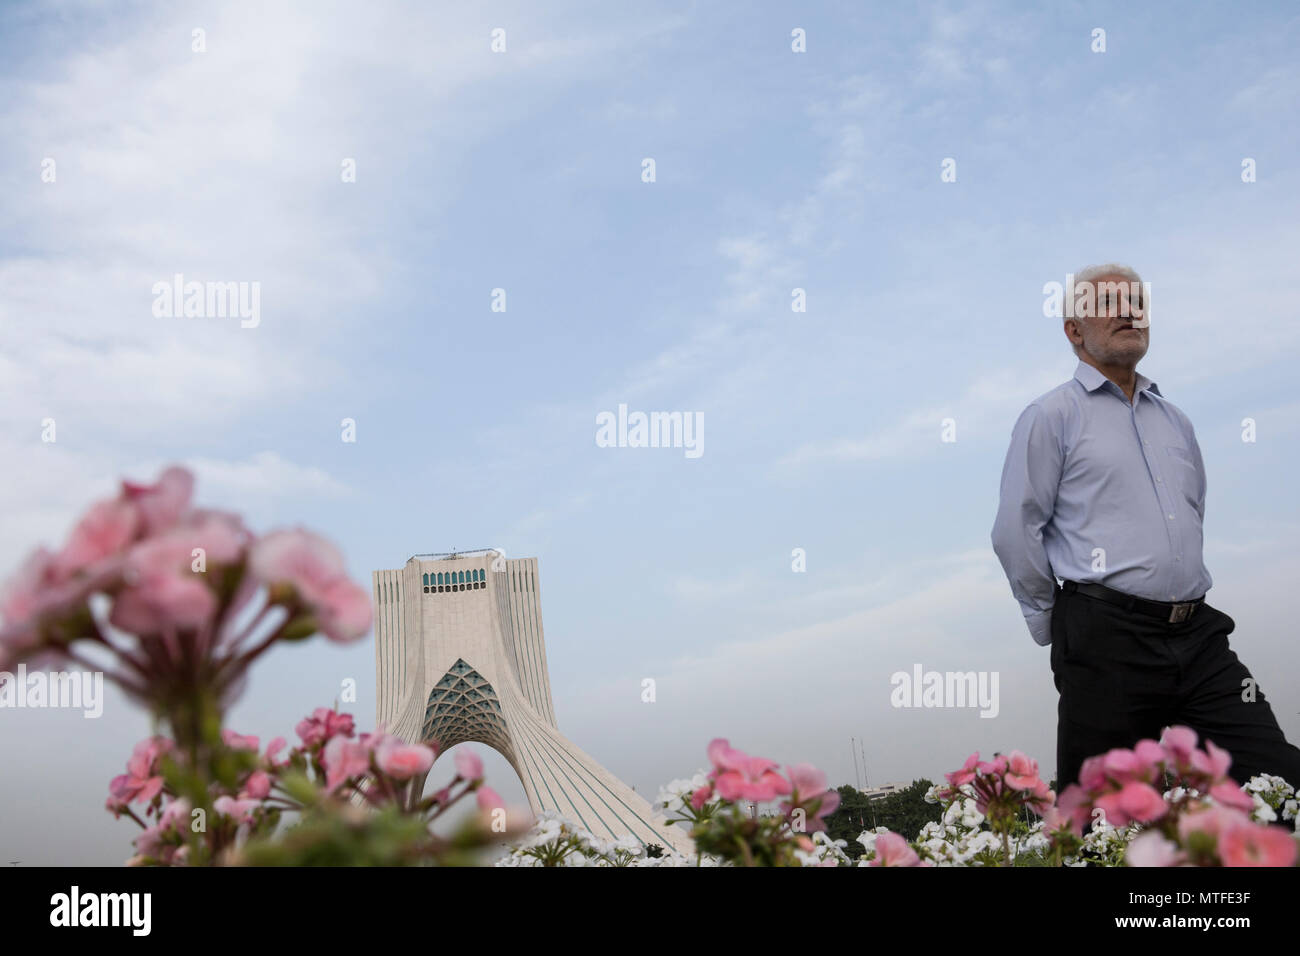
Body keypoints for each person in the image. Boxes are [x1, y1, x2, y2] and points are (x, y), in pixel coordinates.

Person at [991, 263, 1300, 794]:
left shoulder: (1174, 420)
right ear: (1073, 330)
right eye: (1109, 304)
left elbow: (1192, 509)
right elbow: (1016, 529)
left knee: (1279, 780)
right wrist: (1056, 622)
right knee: (1103, 814)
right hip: (1105, 638)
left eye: (1137, 302)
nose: (1129, 312)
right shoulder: (1050, 416)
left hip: (1200, 636)